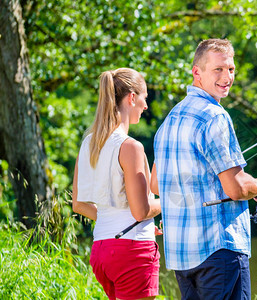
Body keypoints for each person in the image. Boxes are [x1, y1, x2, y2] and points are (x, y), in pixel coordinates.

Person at [150, 39, 257, 299]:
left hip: (183, 258)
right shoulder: (214, 116)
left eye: (231, 69)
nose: (226, 77)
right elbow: (237, 189)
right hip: (218, 252)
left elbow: (155, 185)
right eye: (218, 69)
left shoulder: (170, 120)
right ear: (197, 72)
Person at [72, 67, 161, 300]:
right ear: (132, 98)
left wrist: (122, 223)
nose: (146, 106)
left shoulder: (89, 143)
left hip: (101, 251)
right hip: (132, 252)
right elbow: (140, 211)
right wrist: (170, 203)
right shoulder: (130, 147)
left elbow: (78, 204)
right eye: (144, 98)